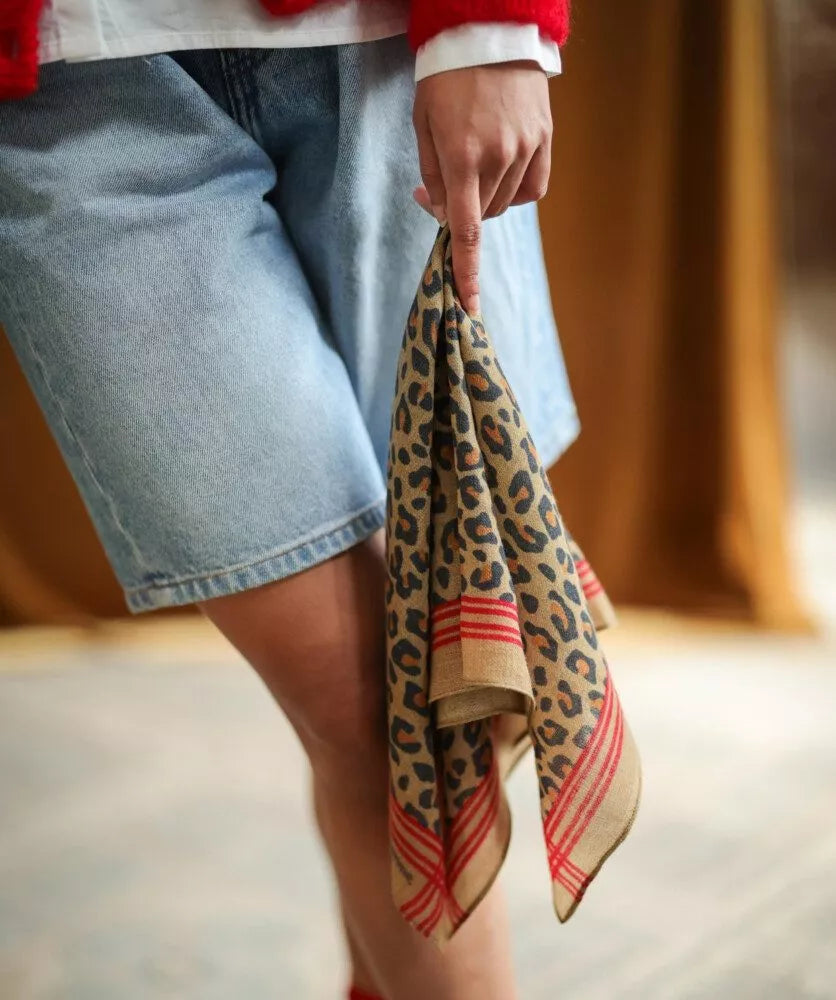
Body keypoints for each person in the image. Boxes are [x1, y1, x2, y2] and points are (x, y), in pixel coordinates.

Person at [0, 1, 580, 997]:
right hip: (71, 88)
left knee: (471, 665)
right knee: (384, 710)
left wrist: (492, 24)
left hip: (379, 52)